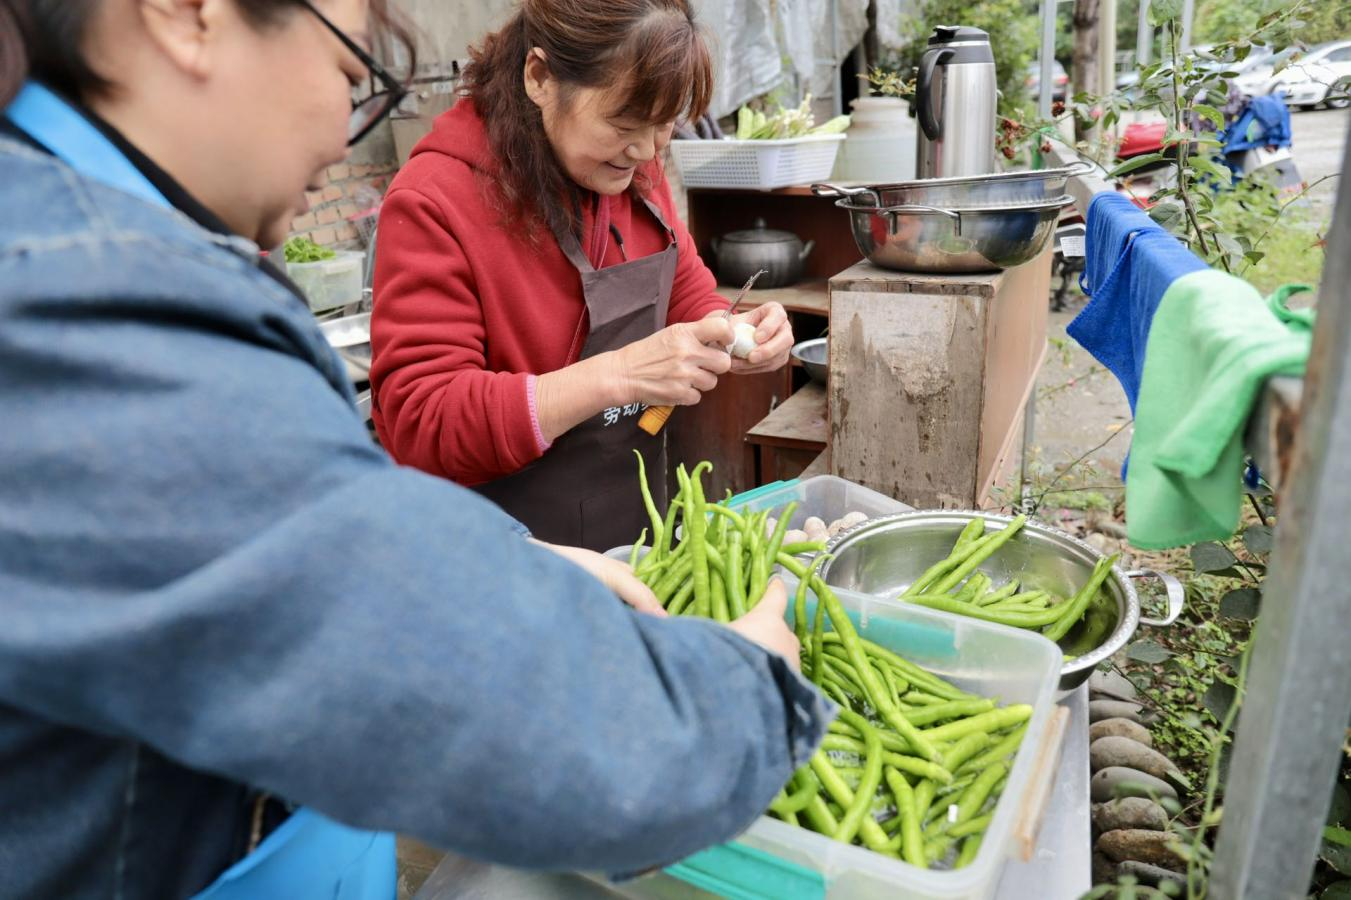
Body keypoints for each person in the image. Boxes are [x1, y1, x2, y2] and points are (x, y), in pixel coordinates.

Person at [0, 1, 831, 897]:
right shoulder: (85, 312)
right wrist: (735, 699)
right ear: (186, 13)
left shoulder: (119, 259)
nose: (342, 136)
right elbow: (394, 605)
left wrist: (512, 556)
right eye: (350, 72)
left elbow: (308, 537)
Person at [369, 0, 796, 552]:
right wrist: (619, 375)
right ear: (540, 77)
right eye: (624, 123)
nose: (647, 150)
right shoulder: (434, 200)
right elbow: (424, 422)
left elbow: (685, 291)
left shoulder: (628, 169)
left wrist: (734, 331)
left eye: (665, 123)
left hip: (631, 536)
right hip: (497, 554)